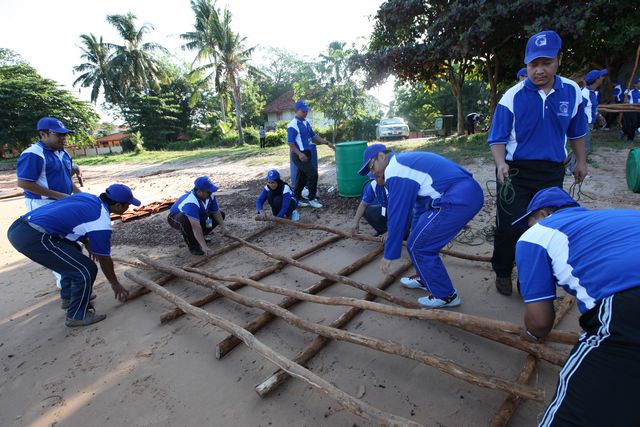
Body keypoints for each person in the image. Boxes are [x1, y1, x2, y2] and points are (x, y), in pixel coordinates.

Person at [512, 187, 640, 426]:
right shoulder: (620, 216)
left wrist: (531, 334)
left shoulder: (536, 234)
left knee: (572, 417)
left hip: (628, 305)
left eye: (529, 222)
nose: (528, 228)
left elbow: (540, 322)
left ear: (543, 214)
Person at [487, 30, 587, 296]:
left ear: (559, 59)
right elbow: (497, 138)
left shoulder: (572, 92)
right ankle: (503, 271)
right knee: (509, 226)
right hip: (515, 172)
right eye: (533, 64)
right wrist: (500, 163)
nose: (539, 70)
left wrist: (581, 161)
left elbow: (577, 132)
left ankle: (530, 278)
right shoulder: (512, 96)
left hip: (552, 172)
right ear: (527, 64)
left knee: (546, 227)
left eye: (546, 62)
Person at [358, 144, 484, 308]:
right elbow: (420, 205)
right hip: (455, 195)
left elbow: (398, 215)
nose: (372, 172)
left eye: (371, 166)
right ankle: (425, 279)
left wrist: (389, 253)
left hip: (459, 198)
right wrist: (414, 231)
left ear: (381, 156)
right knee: (415, 240)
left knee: (420, 247)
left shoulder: (395, 170)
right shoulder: (402, 165)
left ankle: (446, 295)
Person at [7, 184, 137, 327]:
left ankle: (69, 298)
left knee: (73, 252)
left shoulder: (88, 197)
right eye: (128, 204)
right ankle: (76, 315)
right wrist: (115, 284)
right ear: (118, 206)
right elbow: (104, 259)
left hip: (21, 226)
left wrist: (86, 242)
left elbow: (73, 220)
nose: (129, 207)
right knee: (85, 269)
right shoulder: (101, 221)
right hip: (33, 236)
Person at [17, 116, 82, 295]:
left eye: (64, 135)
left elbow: (67, 178)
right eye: (58, 135)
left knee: (70, 242)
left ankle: (73, 284)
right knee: (55, 246)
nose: (63, 138)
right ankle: (67, 289)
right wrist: (59, 196)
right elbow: (24, 183)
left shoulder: (63, 153)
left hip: (63, 202)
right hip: (42, 205)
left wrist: (80, 195)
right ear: (43, 134)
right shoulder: (33, 154)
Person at [287, 100, 336, 208]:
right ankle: (312, 199)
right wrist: (299, 154)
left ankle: (296, 199)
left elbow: (314, 136)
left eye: (306, 111)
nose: (306, 113)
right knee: (313, 174)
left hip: (307, 153)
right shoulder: (293, 125)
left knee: (302, 178)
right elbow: (290, 143)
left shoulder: (306, 122)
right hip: (299, 155)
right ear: (296, 111)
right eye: (303, 111)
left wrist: (327, 143)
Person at [168, 176, 227, 256]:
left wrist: (223, 228)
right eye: (208, 192)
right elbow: (196, 227)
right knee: (185, 221)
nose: (211, 193)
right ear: (199, 191)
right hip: (176, 217)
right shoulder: (191, 203)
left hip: (199, 215)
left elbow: (216, 212)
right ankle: (194, 246)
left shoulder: (210, 195)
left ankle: (200, 237)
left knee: (218, 215)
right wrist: (204, 247)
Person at [566, 68, 608, 174]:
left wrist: (599, 116)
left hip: (588, 123)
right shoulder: (584, 93)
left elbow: (591, 108)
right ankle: (572, 168)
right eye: (601, 77)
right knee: (582, 148)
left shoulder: (591, 93)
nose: (602, 79)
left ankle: (570, 167)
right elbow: (577, 109)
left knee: (582, 148)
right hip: (584, 123)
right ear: (596, 80)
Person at [351, 172, 388, 237]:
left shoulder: (393, 185)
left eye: (378, 177)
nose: (375, 180)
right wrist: (355, 222)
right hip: (385, 210)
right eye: (374, 177)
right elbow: (363, 204)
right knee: (366, 210)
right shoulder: (374, 184)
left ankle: (396, 232)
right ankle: (383, 231)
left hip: (399, 214)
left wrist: (390, 233)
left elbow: (400, 212)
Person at [622, 78, 640, 142]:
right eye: (639, 83)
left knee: (637, 124)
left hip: (639, 110)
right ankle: (630, 138)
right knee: (633, 124)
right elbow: (625, 101)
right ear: (635, 84)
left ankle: (626, 132)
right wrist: (626, 95)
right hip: (631, 110)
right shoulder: (630, 92)